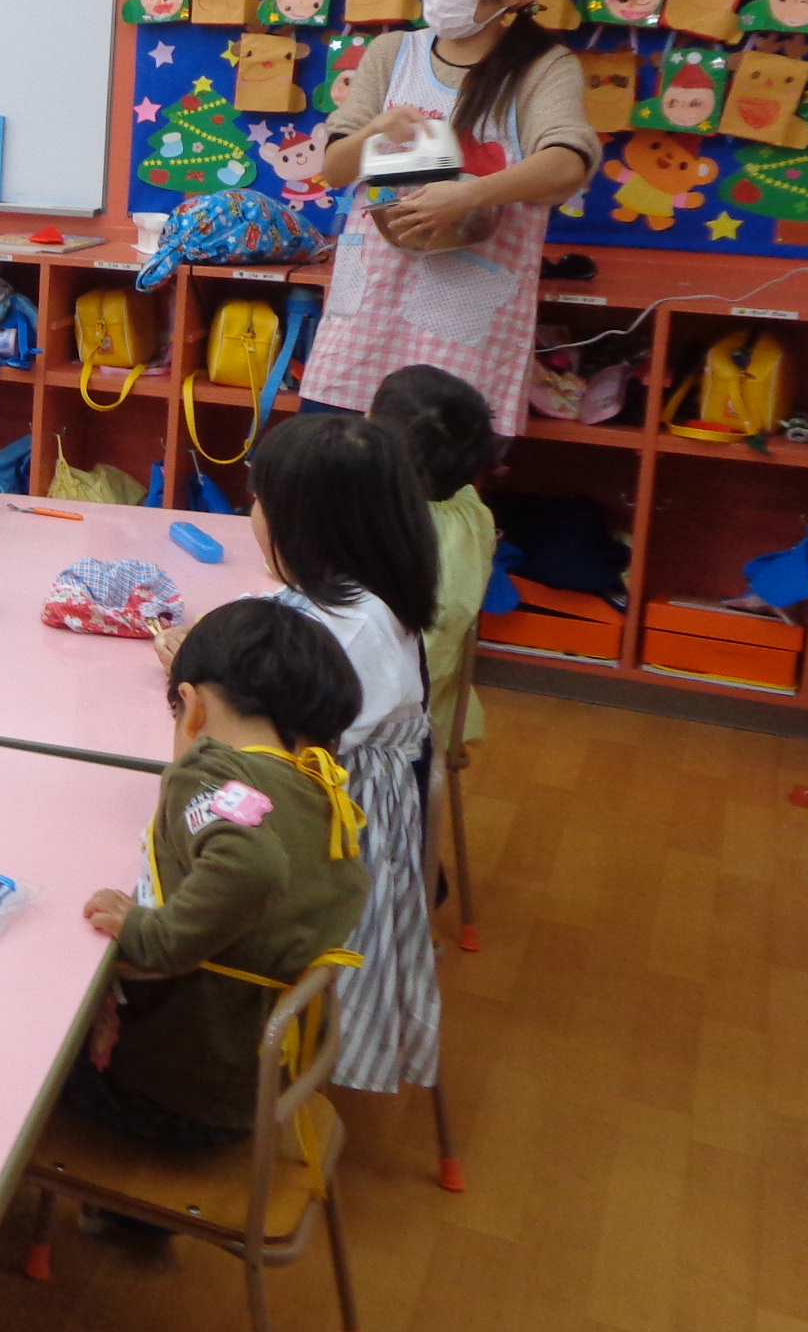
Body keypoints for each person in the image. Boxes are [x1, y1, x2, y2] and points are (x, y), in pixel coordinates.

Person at [73, 597, 371, 1146]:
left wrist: (150, 933)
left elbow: (251, 865)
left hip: (179, 1091)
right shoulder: (320, 787)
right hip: (259, 1079)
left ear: (192, 707)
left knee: (26, 1055)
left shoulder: (210, 772)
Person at [307, 0, 601, 435]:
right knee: (334, 453)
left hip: (467, 304)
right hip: (370, 299)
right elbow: (334, 170)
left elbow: (567, 162)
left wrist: (468, 195)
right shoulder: (393, 52)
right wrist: (374, 130)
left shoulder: (544, 67)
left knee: (437, 463)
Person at [241, 413, 440, 1100]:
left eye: (258, 501)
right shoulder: (356, 597)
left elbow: (264, 748)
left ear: (304, 525)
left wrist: (205, 684)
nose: (251, 516)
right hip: (329, 811)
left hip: (321, 833)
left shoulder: (350, 629)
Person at [369, 363, 500, 746]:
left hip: (372, 722)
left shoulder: (380, 518)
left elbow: (286, 569)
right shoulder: (471, 509)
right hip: (438, 704)